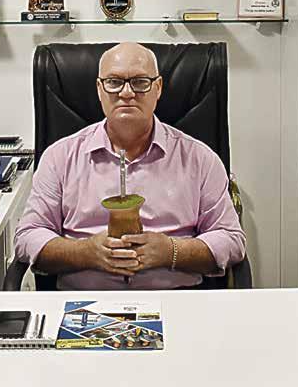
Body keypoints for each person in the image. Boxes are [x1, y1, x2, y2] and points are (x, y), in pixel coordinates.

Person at [14, 42, 246, 290]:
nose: (126, 93)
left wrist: (171, 251)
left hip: (177, 299)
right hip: (83, 303)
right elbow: (28, 236)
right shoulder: (60, 157)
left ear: (158, 88)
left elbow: (231, 239)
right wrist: (85, 253)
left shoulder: (199, 158)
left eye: (140, 82)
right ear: (99, 89)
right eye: (114, 82)